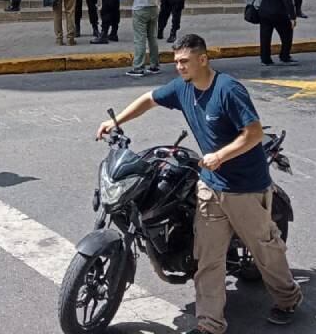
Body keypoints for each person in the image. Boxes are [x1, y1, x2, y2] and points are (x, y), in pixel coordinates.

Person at [96, 34, 303, 333]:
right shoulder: (183, 88)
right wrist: (117, 122)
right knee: (208, 258)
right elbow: (149, 100)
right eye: (176, 61)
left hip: (244, 187)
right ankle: (210, 324)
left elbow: (254, 133)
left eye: (185, 61)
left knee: (264, 249)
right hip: (209, 184)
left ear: (202, 59)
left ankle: (289, 298)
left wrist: (220, 154)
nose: (179, 67)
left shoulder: (228, 90)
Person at [125, 0, 164, 77]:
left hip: (140, 8)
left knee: (140, 38)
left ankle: (138, 67)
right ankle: (154, 65)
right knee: (152, 37)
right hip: (154, 7)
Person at [253, 0, 297, 66]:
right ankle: (284, 55)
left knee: (265, 37)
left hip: (264, 13)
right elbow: (288, 1)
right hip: (279, 14)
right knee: (287, 35)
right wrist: (292, 17)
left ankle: (265, 58)